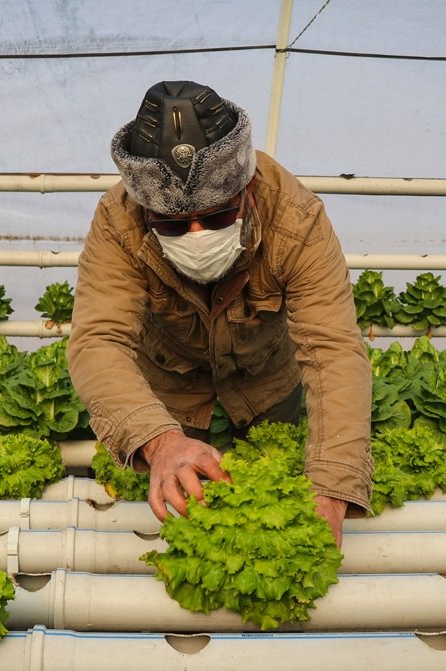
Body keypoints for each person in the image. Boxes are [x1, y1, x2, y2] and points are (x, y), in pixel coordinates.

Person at [67, 80, 372, 548]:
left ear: (246, 191)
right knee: (180, 504)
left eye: (216, 218)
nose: (196, 234)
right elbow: (97, 341)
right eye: (172, 225)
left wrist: (332, 485)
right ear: (147, 212)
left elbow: (333, 349)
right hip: (171, 383)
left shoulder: (296, 217)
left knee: (276, 471)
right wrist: (161, 441)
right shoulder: (118, 219)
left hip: (266, 379)